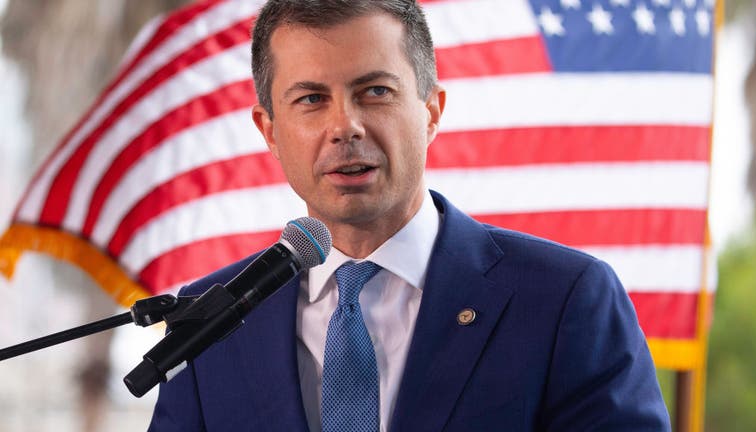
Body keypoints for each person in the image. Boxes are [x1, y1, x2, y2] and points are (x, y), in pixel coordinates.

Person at [149, 1, 671, 430]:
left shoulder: (566, 299)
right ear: (270, 132)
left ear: (431, 111)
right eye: (311, 99)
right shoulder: (210, 321)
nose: (344, 126)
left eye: (374, 91)